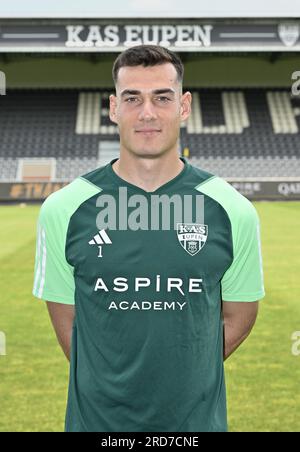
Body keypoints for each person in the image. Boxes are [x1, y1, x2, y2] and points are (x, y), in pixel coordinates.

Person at [32, 44, 265, 432]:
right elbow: (68, 325)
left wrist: (183, 375)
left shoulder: (232, 209)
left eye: (162, 97)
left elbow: (239, 316)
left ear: (184, 105)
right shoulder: (64, 209)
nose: (147, 113)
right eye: (132, 98)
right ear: (113, 107)